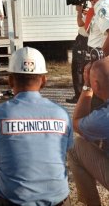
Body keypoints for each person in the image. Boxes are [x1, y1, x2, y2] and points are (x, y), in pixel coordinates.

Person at [0, 47, 73, 206]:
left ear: (10, 80)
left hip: (12, 202)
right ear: (44, 80)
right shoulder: (62, 113)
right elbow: (65, 148)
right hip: (60, 202)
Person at [68, 57, 109, 206]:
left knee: (74, 147)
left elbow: (77, 122)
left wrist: (87, 85)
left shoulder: (103, 117)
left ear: (96, 85)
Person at [85, 0, 109, 109]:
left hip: (100, 60)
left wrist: (100, 62)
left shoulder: (102, 6)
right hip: (102, 58)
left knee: (98, 104)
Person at [66, 5, 89, 104]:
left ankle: (79, 96)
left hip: (83, 39)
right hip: (92, 41)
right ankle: (87, 95)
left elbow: (80, 23)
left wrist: (79, 12)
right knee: (87, 68)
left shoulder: (95, 9)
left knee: (78, 69)